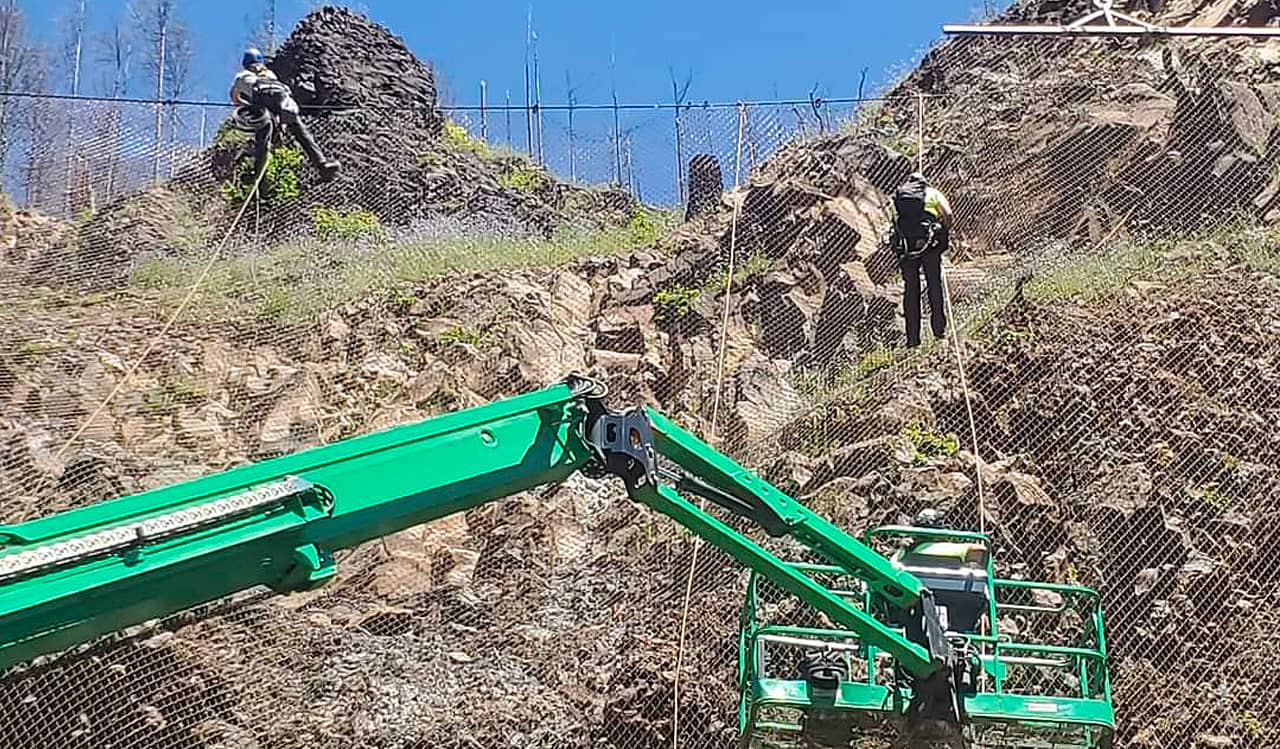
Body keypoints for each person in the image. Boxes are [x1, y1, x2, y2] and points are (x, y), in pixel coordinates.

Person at [230, 48, 340, 183]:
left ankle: (257, 173)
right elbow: (275, 101)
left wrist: (245, 105)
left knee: (263, 135)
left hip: (261, 97)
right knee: (299, 130)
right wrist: (281, 122)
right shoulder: (269, 73)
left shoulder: (242, 75)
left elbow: (234, 96)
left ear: (245, 64)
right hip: (281, 95)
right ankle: (322, 164)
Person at [889, 173, 953, 348]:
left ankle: (913, 341)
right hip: (929, 245)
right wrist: (944, 233)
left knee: (911, 291)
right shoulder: (932, 193)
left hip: (907, 248)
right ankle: (939, 332)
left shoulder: (898, 197)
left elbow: (893, 222)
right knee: (934, 286)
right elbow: (948, 213)